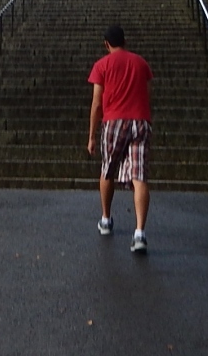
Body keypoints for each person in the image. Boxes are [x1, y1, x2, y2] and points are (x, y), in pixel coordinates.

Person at [87, 24, 153, 254]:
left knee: (108, 169)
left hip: (114, 121)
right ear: (125, 41)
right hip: (140, 120)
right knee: (139, 176)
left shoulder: (101, 65)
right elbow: (147, 92)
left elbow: (97, 103)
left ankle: (106, 219)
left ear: (106, 44)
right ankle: (140, 233)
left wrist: (91, 135)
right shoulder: (140, 63)